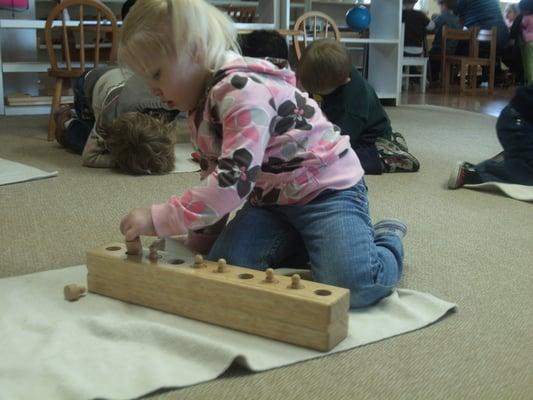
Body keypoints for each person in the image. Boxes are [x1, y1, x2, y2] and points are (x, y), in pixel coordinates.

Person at [117, 0, 407, 309]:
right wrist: (199, 248)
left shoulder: (242, 93)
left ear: (195, 50)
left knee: (354, 287)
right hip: (271, 203)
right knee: (226, 267)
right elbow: (212, 176)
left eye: (157, 74)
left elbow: (231, 184)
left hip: (327, 193)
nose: (153, 90)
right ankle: (309, 240)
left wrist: (159, 218)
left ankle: (386, 239)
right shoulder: (197, 105)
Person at [296, 39, 420, 174]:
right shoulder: (338, 70)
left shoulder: (351, 107)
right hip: (339, 122)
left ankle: (387, 157)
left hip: (367, 140)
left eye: (318, 92)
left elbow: (337, 141)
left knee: (335, 161)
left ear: (344, 81)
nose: (314, 94)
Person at [54, 66, 178, 174]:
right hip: (87, 83)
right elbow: (90, 157)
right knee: (94, 145)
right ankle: (67, 123)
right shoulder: (110, 118)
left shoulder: (166, 108)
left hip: (122, 75)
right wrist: (125, 162)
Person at [448, 84, 533, 189]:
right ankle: (474, 175)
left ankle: (507, 160)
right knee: (527, 174)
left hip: (518, 120)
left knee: (523, 159)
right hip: (518, 124)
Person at [429, 0, 461, 82]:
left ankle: (433, 78)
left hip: (439, 50)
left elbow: (430, 27)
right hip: (454, 51)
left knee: (428, 55)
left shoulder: (443, 17)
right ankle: (449, 76)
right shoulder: (458, 19)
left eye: (439, 5)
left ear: (444, 5)